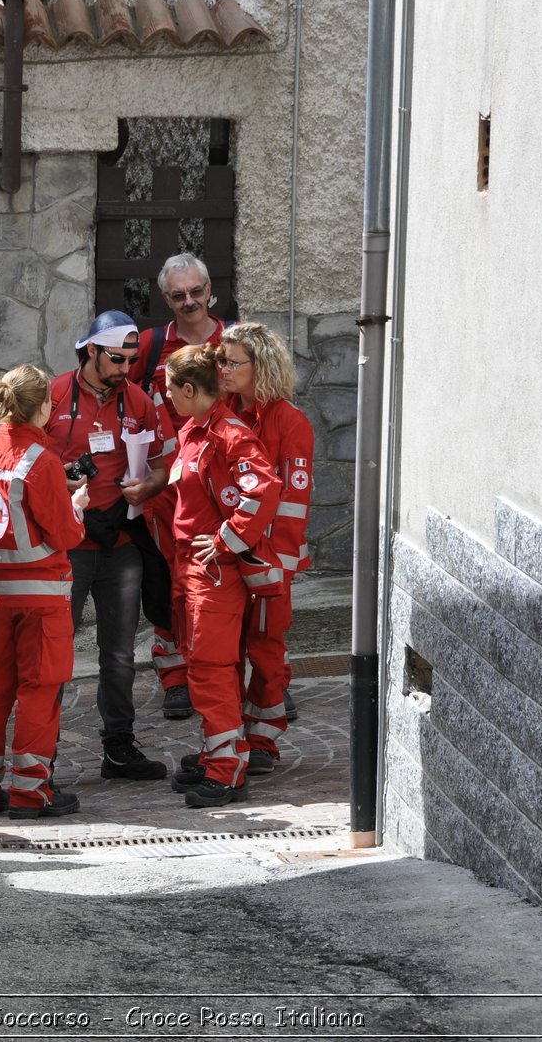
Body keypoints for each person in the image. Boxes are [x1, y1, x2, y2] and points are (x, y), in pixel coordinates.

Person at [0, 364, 90, 818]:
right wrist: (75, 506)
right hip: (43, 596)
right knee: (39, 689)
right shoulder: (42, 461)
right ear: (44, 406)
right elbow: (66, 535)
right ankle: (32, 792)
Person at [44, 311, 171, 780]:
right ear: (91, 350)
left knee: (119, 655)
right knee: (55, 652)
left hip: (120, 541)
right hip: (69, 543)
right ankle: (42, 755)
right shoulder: (53, 395)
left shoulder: (138, 399)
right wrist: (61, 478)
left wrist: (149, 488)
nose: (125, 368)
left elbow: (161, 464)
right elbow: (26, 462)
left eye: (132, 360)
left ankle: (119, 748)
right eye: (117, 358)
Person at [159, 344, 282, 807]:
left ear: (190, 389)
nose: (167, 397)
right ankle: (221, 755)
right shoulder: (195, 429)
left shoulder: (229, 435)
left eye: (171, 389)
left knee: (210, 668)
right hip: (192, 568)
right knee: (206, 668)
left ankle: (226, 770)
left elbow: (264, 488)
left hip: (213, 572)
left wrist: (229, 538)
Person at [129, 253, 227, 722]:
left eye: (196, 292)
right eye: (178, 295)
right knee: (169, 584)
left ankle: (239, 674)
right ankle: (174, 675)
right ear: (166, 299)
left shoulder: (236, 342)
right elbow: (124, 400)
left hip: (224, 486)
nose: (189, 302)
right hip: (166, 488)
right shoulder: (149, 346)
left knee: (229, 580)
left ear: (210, 290)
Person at [217, 323, 314, 770]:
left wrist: (275, 567)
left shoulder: (290, 422)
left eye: (233, 362)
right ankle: (231, 737)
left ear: (261, 366)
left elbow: (293, 506)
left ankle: (263, 742)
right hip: (228, 553)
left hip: (268, 563)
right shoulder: (225, 411)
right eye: (222, 360)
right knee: (225, 652)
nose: (223, 369)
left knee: (267, 652)